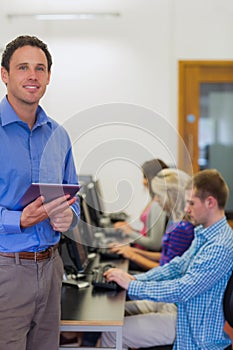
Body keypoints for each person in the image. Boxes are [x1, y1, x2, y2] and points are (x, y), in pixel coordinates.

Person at [0, 35, 80, 350]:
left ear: (48, 77)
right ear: (5, 74)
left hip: (51, 268)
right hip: (7, 269)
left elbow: (73, 199)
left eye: (40, 68)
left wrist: (68, 218)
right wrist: (18, 220)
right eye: (23, 68)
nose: (33, 76)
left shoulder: (59, 135)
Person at [102, 169, 233, 350]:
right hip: (181, 310)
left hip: (193, 330)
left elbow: (183, 289)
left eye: (192, 203)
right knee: (113, 314)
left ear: (210, 202)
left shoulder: (220, 246)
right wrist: (136, 279)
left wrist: (133, 286)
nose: (187, 209)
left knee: (111, 333)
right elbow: (175, 267)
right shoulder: (205, 234)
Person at [109, 168, 194, 271]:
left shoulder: (181, 228)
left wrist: (132, 255)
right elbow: (165, 257)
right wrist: (132, 251)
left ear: (170, 196)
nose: (156, 200)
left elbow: (168, 270)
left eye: (159, 195)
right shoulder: (175, 220)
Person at [114, 158, 169, 251]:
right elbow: (148, 234)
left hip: (143, 254)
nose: (143, 181)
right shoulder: (154, 200)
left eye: (144, 177)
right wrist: (130, 229)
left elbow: (155, 244)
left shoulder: (158, 204)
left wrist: (130, 233)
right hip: (139, 251)